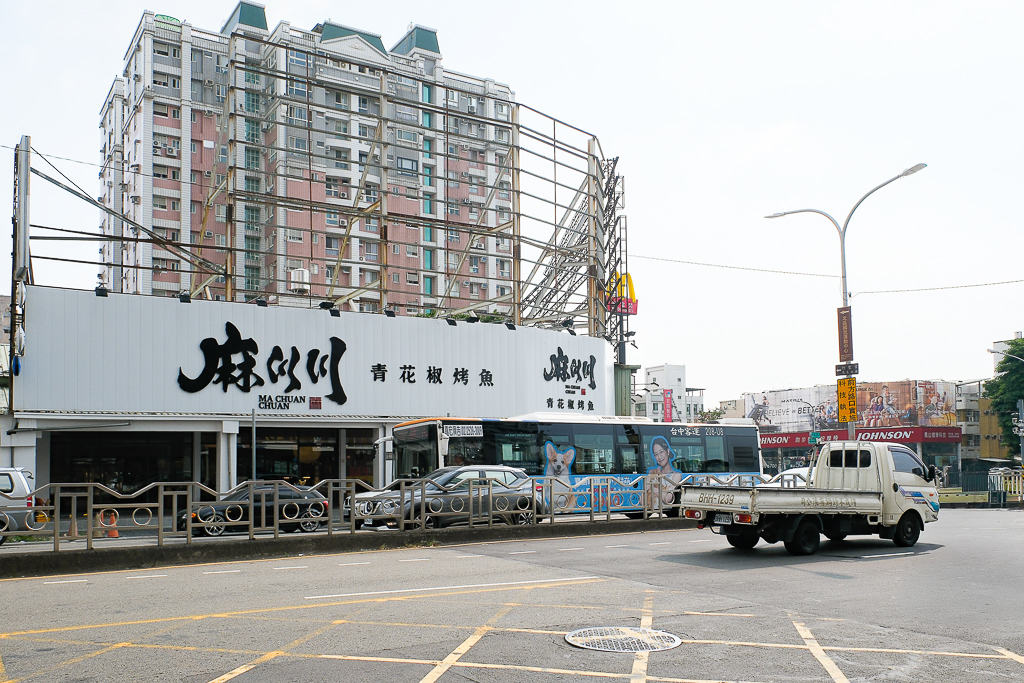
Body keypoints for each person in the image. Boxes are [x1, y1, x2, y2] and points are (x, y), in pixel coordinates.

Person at [646, 436, 683, 509]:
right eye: (656, 454)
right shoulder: (653, 473)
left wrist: (653, 489)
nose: (659, 457)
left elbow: (668, 498)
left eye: (661, 452)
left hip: (664, 509)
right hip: (652, 509)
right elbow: (642, 501)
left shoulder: (676, 475)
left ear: (668, 451)